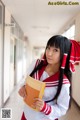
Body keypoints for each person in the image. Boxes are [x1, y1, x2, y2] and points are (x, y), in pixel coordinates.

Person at [18, 35, 80, 120]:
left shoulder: (63, 82)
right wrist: (23, 87)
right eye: (48, 48)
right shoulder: (36, 64)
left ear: (64, 54)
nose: (49, 53)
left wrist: (45, 107)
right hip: (26, 115)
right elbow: (26, 81)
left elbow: (62, 109)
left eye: (55, 50)